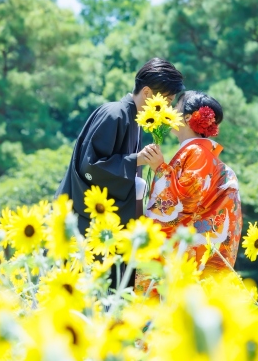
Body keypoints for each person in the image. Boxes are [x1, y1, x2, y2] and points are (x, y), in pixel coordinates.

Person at [56, 58, 184, 234]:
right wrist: (137, 160)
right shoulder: (115, 114)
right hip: (80, 225)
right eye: (167, 101)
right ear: (147, 92)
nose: (167, 107)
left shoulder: (134, 120)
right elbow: (90, 167)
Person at [140, 90, 242, 279]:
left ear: (187, 117)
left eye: (176, 107)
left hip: (188, 255)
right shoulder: (198, 151)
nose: (170, 110)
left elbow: (186, 201)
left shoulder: (197, 152)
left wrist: (159, 168)